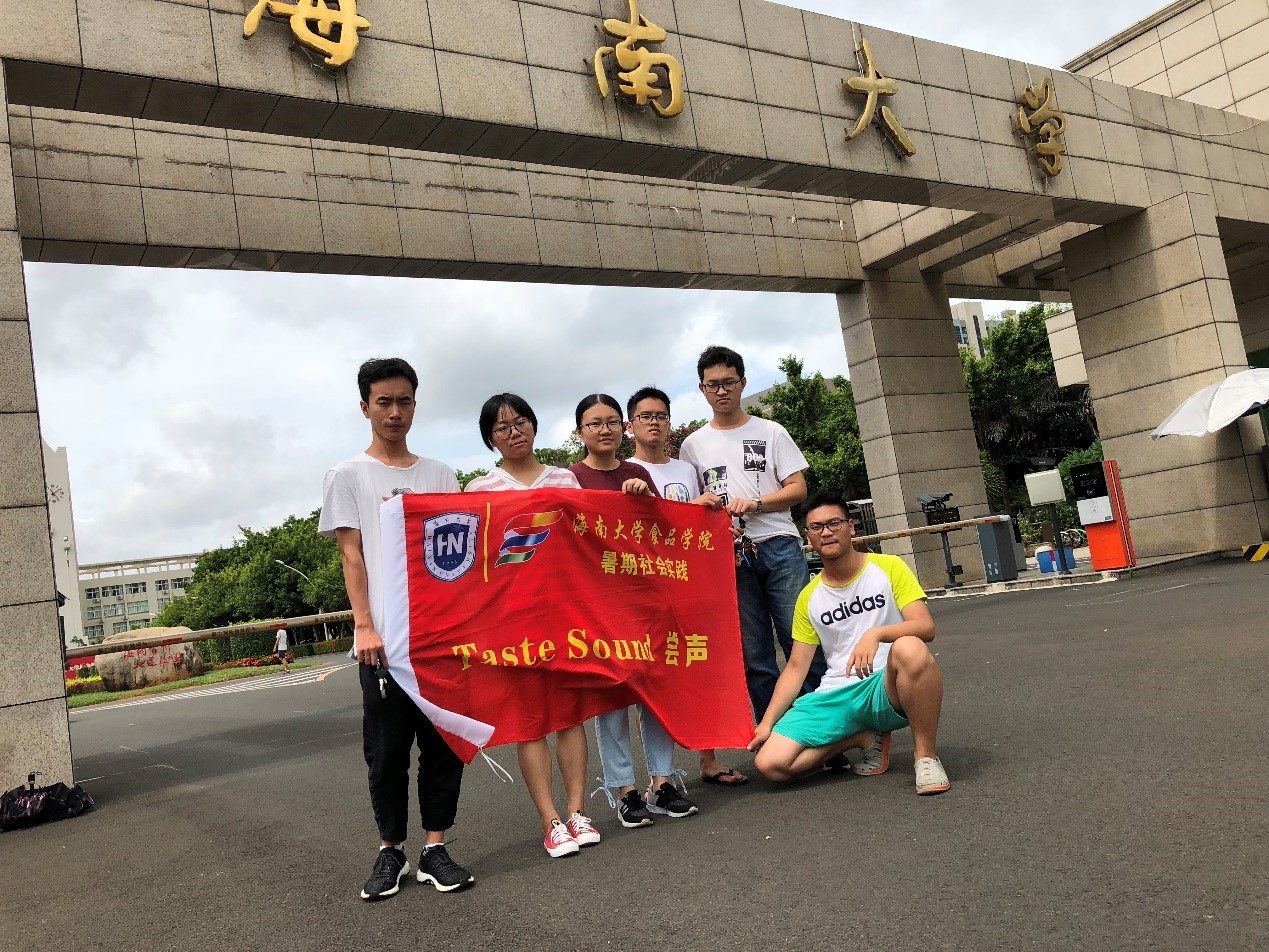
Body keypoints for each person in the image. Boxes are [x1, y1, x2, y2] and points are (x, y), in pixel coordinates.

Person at [319, 357, 474, 901]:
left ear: (415, 405)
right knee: (386, 753)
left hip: (438, 640)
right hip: (383, 643)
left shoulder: (440, 475)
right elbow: (352, 557)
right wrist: (364, 626)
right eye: (383, 402)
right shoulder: (347, 476)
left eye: (404, 401)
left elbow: (457, 556)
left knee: (442, 747)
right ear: (365, 407)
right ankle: (391, 850)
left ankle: (435, 848)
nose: (394, 412)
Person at [465, 393, 603, 859]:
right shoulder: (480, 489)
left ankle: (578, 811)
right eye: (501, 428)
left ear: (534, 425)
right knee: (529, 721)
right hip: (513, 618)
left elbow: (588, 538)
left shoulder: (564, 479)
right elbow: (475, 558)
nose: (514, 432)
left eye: (520, 422)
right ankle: (551, 821)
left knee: (570, 714)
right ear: (490, 439)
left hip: (564, 614)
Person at [747, 494, 951, 796]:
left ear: (851, 527)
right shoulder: (808, 597)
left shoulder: (889, 567)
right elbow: (796, 668)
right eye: (817, 527)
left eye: (834, 523)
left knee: (910, 647)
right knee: (770, 765)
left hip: (885, 686)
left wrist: (876, 634)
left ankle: (925, 758)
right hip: (837, 693)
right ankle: (862, 737)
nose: (826, 532)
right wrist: (767, 723)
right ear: (808, 537)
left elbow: (925, 626)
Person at [678, 346, 828, 723]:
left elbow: (798, 489)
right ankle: (773, 734)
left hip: (779, 546)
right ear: (701, 388)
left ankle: (824, 733)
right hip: (730, 556)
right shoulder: (692, 445)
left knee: (801, 641)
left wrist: (757, 504)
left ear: (743, 383)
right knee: (754, 654)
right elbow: (691, 505)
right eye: (713, 384)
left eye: (729, 382)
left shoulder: (771, 431)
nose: (721, 390)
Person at [570, 394, 699, 828]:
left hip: (644, 599)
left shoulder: (637, 473)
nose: (603, 430)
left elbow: (662, 531)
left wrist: (646, 500)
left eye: (611, 422)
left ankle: (662, 782)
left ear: (623, 427)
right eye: (594, 423)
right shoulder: (571, 478)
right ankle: (624, 790)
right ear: (579, 432)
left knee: (655, 689)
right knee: (612, 697)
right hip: (599, 603)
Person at [627, 386, 748, 789]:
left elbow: (697, 523)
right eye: (645, 416)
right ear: (630, 425)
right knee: (655, 677)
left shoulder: (685, 469)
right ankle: (656, 778)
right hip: (648, 587)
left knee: (699, 666)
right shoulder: (625, 472)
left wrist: (714, 520)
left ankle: (707, 759)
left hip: (688, 582)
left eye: (661, 415)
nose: (654, 423)